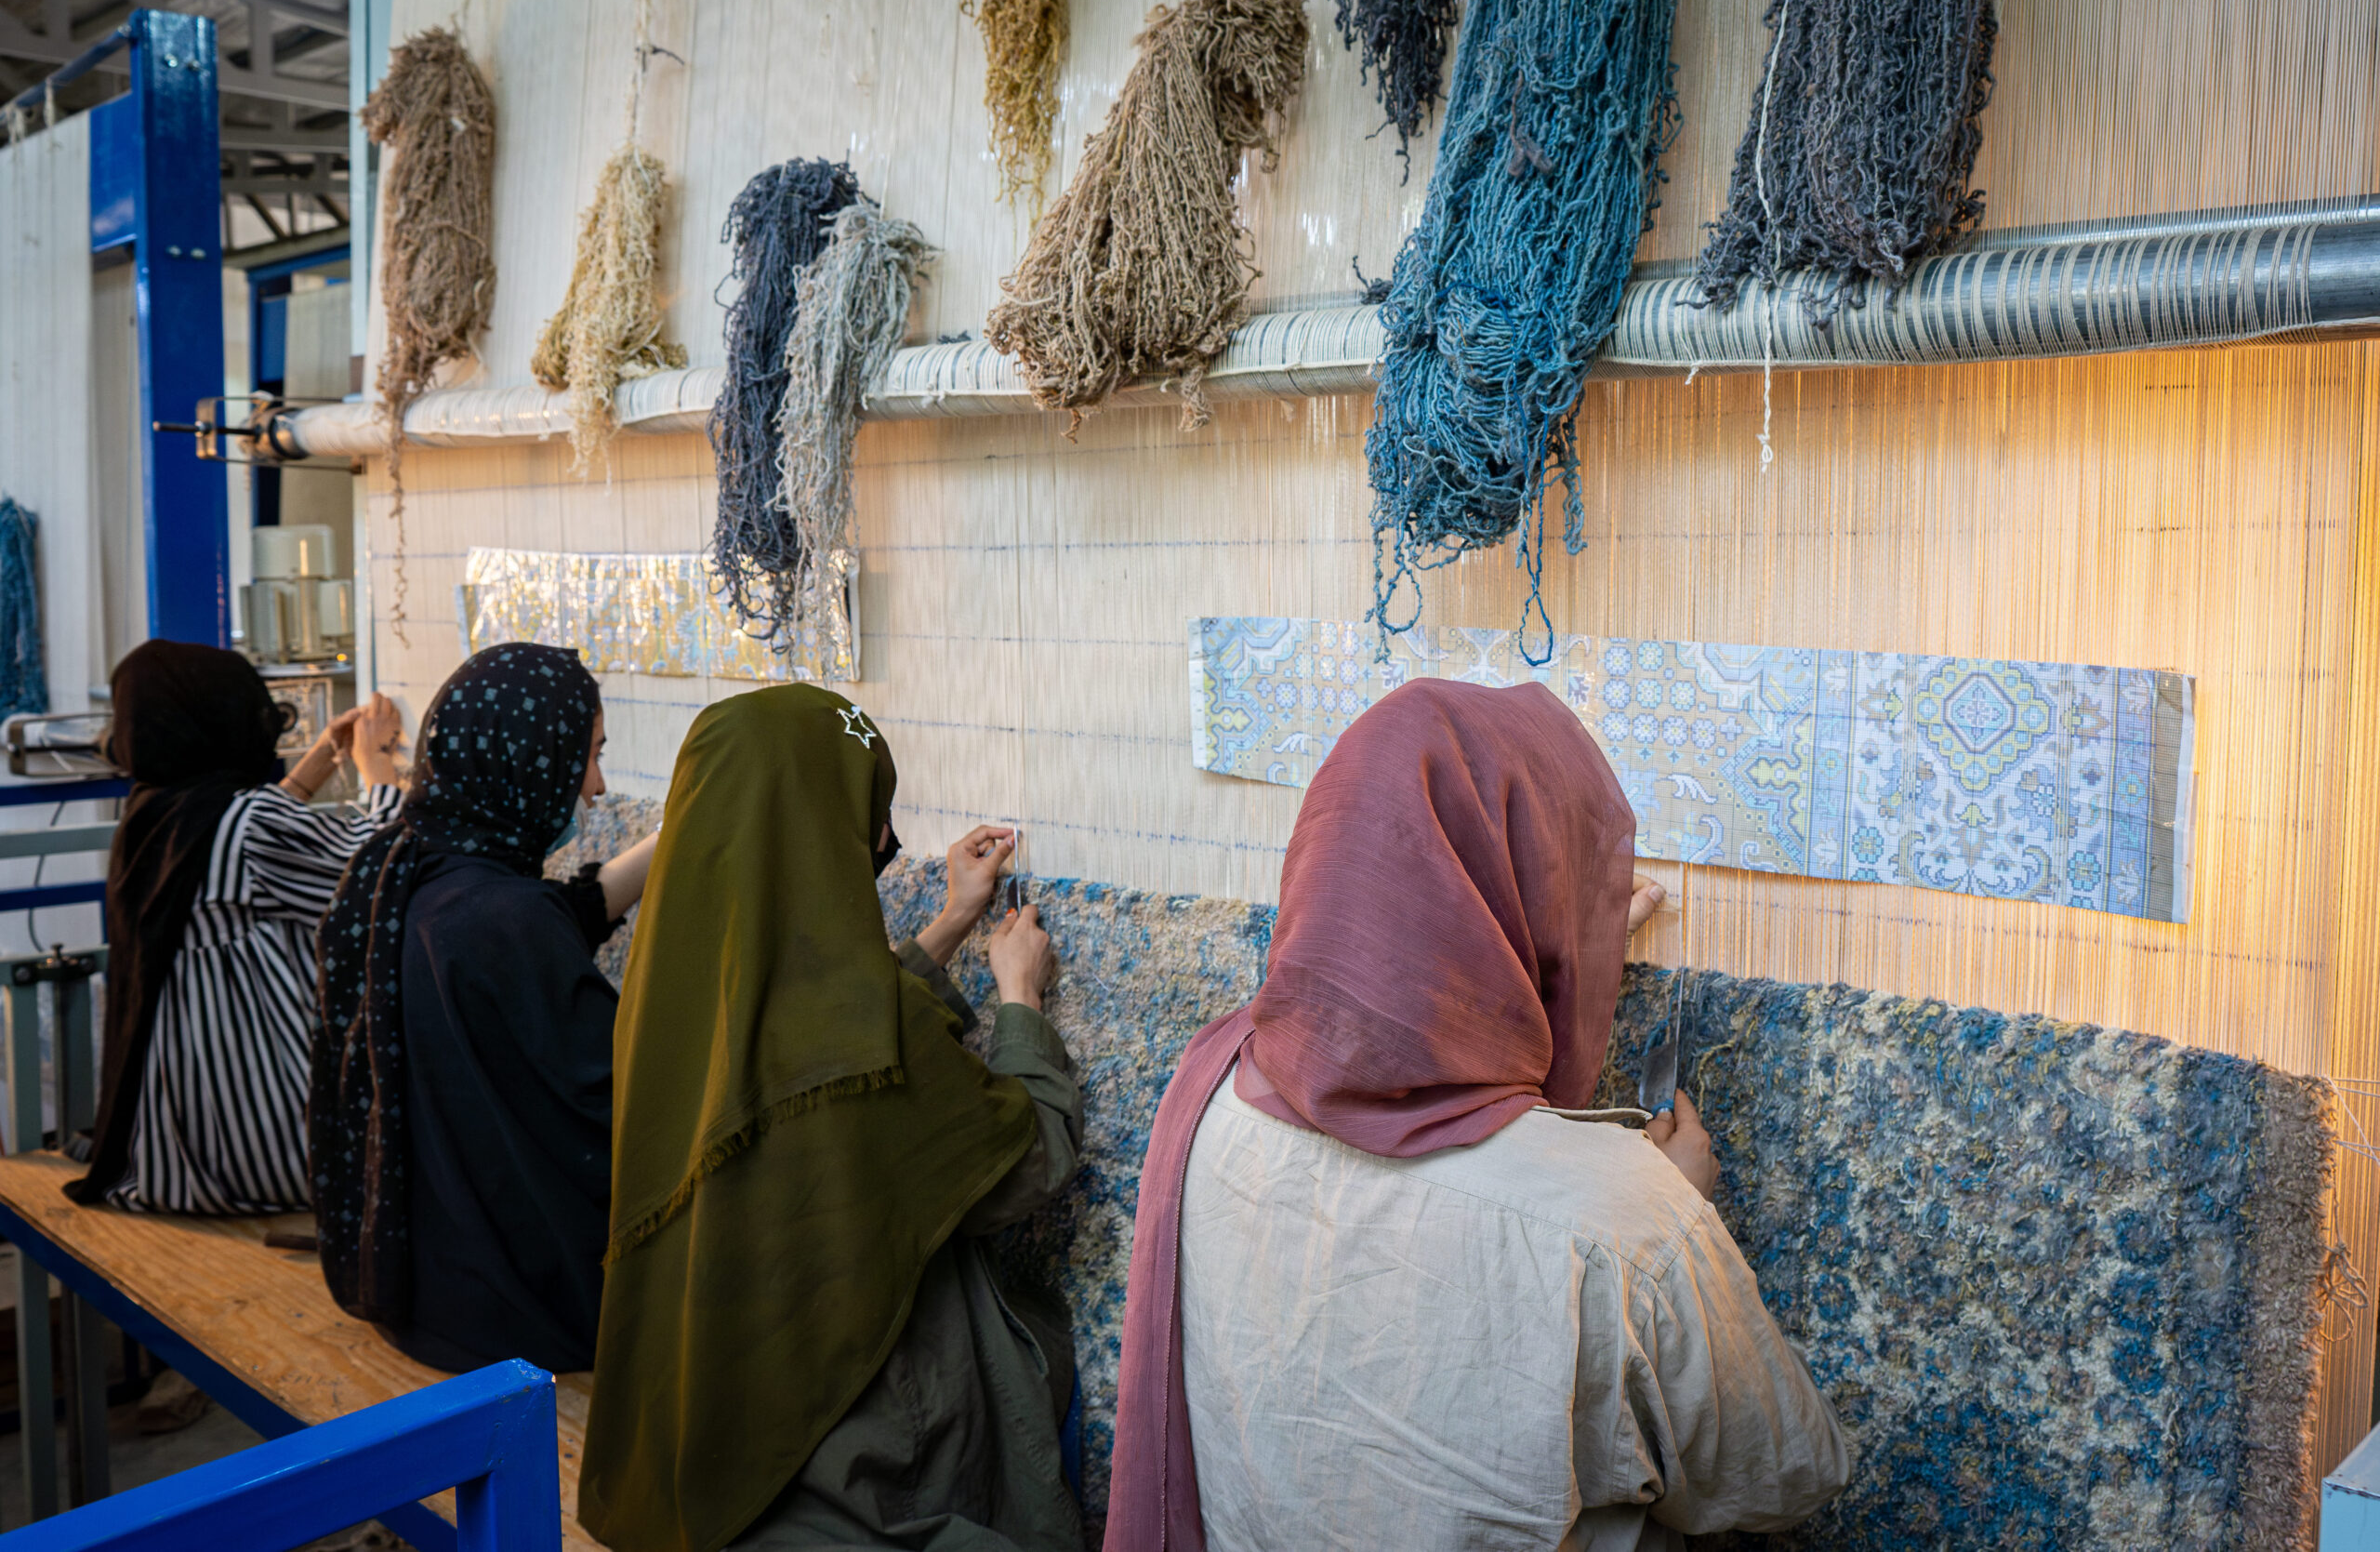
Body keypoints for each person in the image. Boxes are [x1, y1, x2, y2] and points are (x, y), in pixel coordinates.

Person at [1107, 678, 1851, 1552]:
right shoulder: (1625, 1225)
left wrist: (1566, 956)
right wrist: (1676, 1209)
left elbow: (1380, 988)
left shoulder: (1206, 1093)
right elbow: (1783, 1477)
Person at [579, 683, 1082, 1552]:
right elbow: (1024, 1163)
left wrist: (952, 922)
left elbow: (814, 1046)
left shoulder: (664, 993)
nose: (882, 841)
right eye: (869, 815)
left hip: (703, 1434)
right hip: (856, 1459)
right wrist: (1021, 1002)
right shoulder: (864, 1030)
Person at [311, 643, 658, 1374]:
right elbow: (630, 1099)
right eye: (587, 756)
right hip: (525, 1317)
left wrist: (670, 837)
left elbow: (557, 917)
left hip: (428, 1294)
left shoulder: (400, 867)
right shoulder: (503, 918)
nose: (596, 787)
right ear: (526, 759)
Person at [68, 640, 405, 1214]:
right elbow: (382, 878)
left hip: (178, 1146)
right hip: (271, 1152)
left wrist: (324, 757)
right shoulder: (250, 824)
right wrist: (377, 765)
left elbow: (258, 834)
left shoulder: (156, 814)